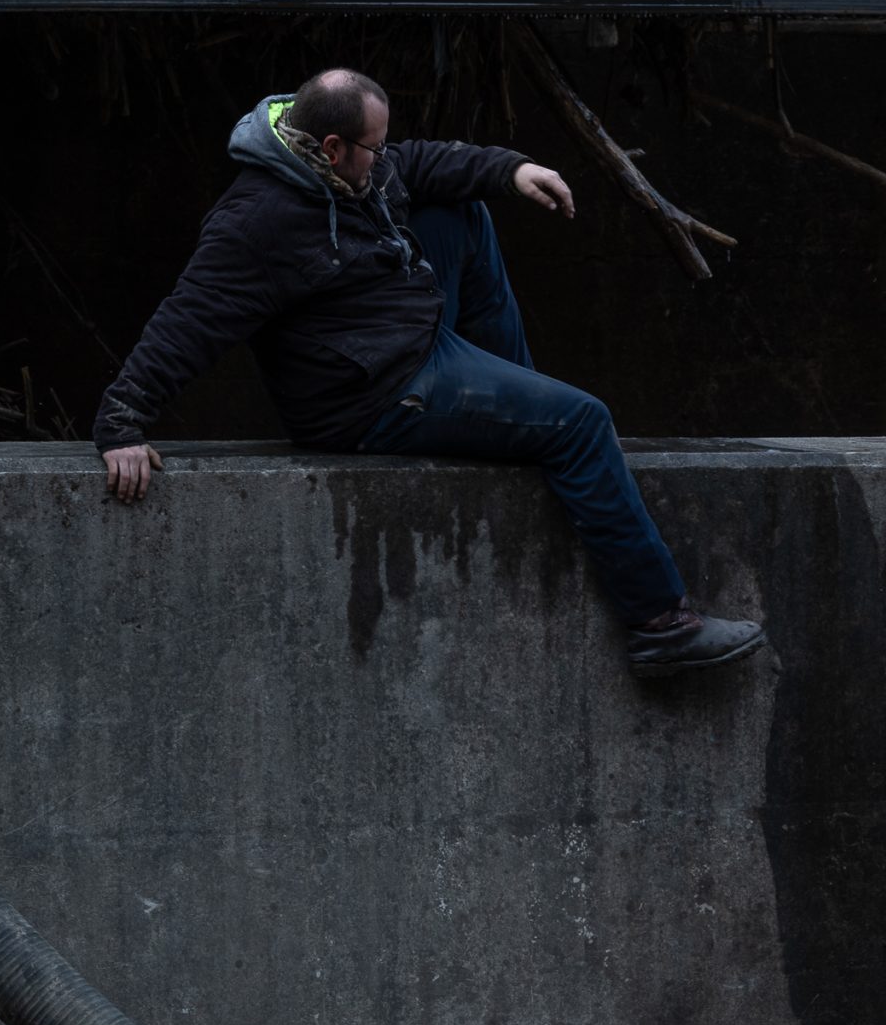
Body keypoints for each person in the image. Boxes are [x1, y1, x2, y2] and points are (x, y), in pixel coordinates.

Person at [93, 68, 764, 677]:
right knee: (583, 422)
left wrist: (513, 169)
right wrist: (122, 422)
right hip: (373, 393)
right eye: (374, 146)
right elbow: (188, 320)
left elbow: (417, 162)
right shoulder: (255, 224)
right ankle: (661, 627)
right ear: (332, 146)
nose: (385, 156)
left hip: (397, 327)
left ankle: (524, 412)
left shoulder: (348, 163)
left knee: (462, 209)